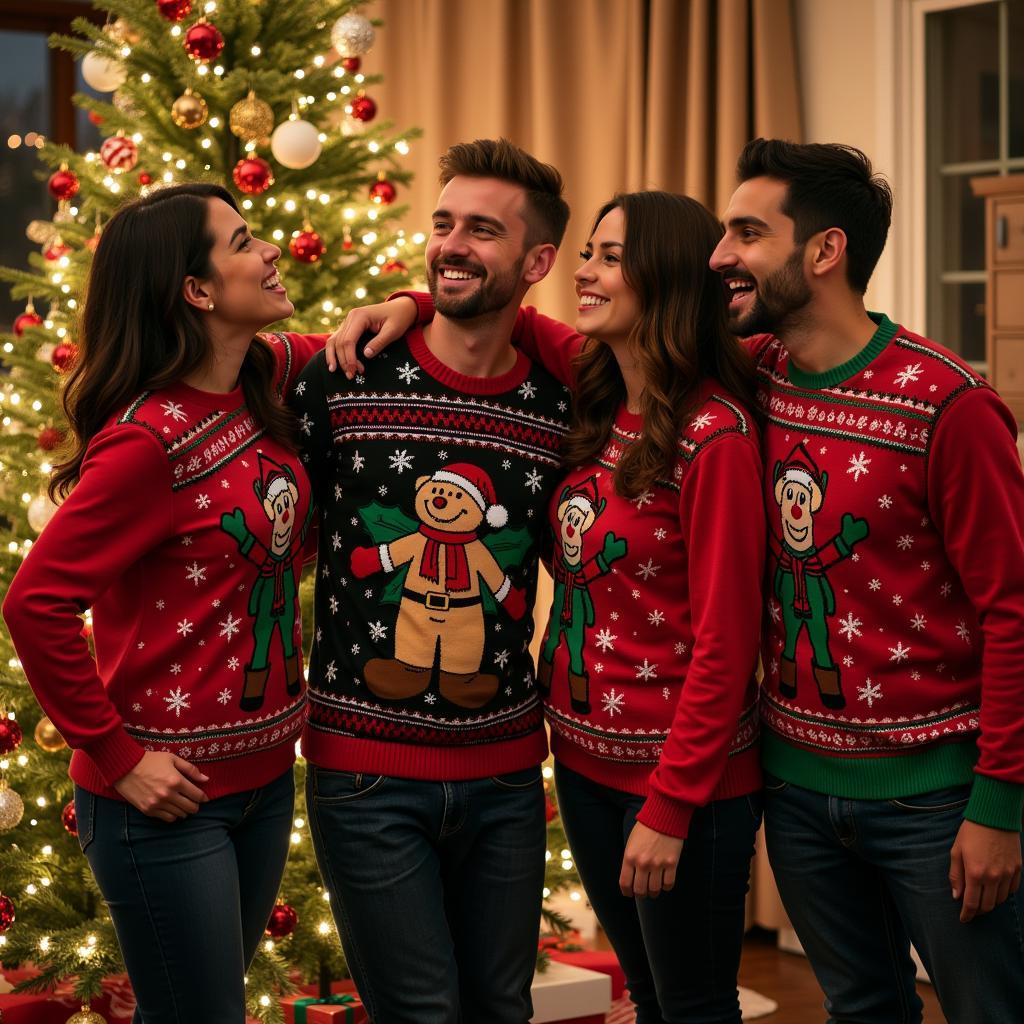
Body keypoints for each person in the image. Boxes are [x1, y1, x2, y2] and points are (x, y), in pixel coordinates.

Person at [330, 190, 767, 1024]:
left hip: (677, 786)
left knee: (695, 1007)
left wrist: (671, 804)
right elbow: (497, 316)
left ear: (666, 279)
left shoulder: (714, 436)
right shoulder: (595, 392)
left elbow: (728, 642)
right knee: (647, 998)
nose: (585, 270)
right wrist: (410, 301)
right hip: (586, 768)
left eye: (608, 257)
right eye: (587, 252)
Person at [708, 139, 1024, 1023]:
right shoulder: (749, 379)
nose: (719, 256)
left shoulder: (948, 404)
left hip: (940, 797)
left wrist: (999, 805)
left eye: (745, 233)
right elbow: (601, 340)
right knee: (860, 1009)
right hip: (797, 791)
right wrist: (414, 302)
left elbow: (1014, 611)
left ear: (823, 251)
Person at [3, 183, 325, 1024]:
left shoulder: (261, 376)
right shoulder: (147, 445)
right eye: (246, 241)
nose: (270, 253)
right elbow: (34, 603)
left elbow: (370, 331)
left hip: (263, 783)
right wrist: (116, 756)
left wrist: (402, 305)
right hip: (166, 803)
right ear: (197, 290)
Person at [290, 138, 572, 1024]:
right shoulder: (343, 372)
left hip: (505, 778)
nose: (451, 244)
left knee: (503, 1008)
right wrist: (404, 304)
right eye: (444, 222)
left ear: (537, 262)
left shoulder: (567, 401)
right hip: (366, 776)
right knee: (421, 1015)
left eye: (482, 230)